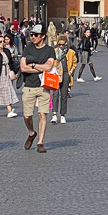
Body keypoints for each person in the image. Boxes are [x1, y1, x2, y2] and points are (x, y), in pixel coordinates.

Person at [20, 24, 56, 153]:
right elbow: (23, 67)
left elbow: (48, 68)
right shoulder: (28, 48)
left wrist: (33, 65)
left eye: (36, 35)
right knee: (27, 116)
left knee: (42, 114)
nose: (33, 37)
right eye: (32, 35)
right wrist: (40, 66)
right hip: (29, 86)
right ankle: (31, 133)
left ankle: (40, 142)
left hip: (44, 86)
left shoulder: (50, 51)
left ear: (43, 37)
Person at [50, 34, 76, 125]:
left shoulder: (71, 52)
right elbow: (51, 62)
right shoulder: (54, 51)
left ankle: (62, 115)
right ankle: (54, 114)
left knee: (64, 95)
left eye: (63, 45)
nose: (61, 46)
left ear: (66, 44)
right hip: (56, 74)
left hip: (65, 74)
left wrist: (70, 72)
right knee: (55, 94)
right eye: (59, 44)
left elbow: (74, 63)